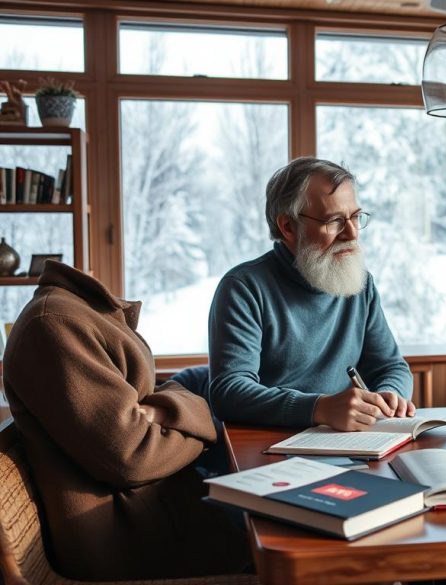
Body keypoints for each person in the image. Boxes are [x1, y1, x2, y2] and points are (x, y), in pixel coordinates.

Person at [2, 261, 251, 581]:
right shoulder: (56, 324)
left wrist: (163, 411)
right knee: (296, 534)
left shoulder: (79, 315)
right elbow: (132, 455)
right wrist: (201, 423)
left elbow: (152, 403)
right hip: (137, 539)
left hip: (161, 511)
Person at [208, 157, 414, 430]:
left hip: (345, 439)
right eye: (335, 221)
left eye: (355, 217)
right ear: (288, 227)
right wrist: (319, 408)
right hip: (267, 445)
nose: (352, 233)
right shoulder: (243, 287)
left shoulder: (360, 284)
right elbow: (229, 392)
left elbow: (391, 368)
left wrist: (389, 395)